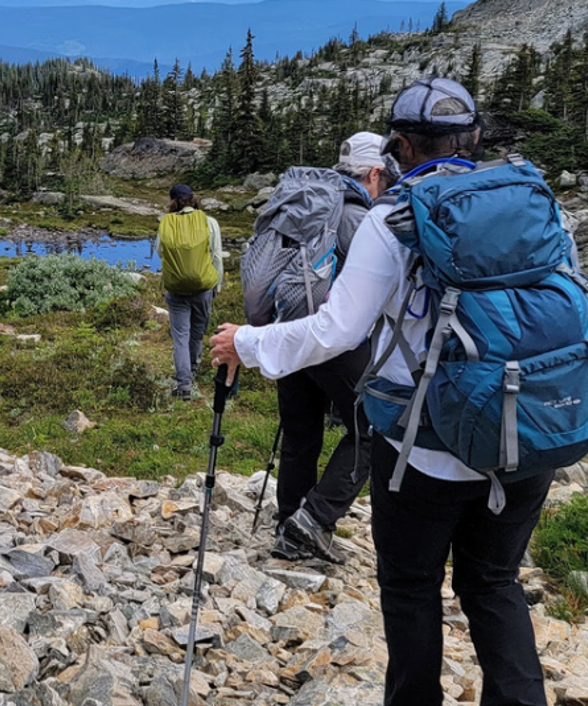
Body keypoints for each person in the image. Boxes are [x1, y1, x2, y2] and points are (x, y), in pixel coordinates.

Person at [209, 78, 552, 706]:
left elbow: (337, 329)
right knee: (494, 584)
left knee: (411, 586)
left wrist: (249, 344)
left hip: (429, 443)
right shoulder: (532, 201)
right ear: (475, 139)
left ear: (399, 146)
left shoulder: (394, 219)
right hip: (527, 432)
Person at [268, 132, 395, 565]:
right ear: (374, 173)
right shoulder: (360, 217)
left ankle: (289, 519)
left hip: (289, 333)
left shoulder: (309, 204)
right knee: (374, 428)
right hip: (334, 341)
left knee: (300, 432)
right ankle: (315, 520)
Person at [158, 184, 223, 398]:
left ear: (173, 202)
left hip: (176, 290)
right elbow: (215, 256)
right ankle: (192, 372)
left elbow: (160, 252)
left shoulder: (166, 223)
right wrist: (217, 285)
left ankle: (183, 385)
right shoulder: (209, 222)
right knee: (196, 333)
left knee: (180, 337)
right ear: (192, 198)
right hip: (203, 288)